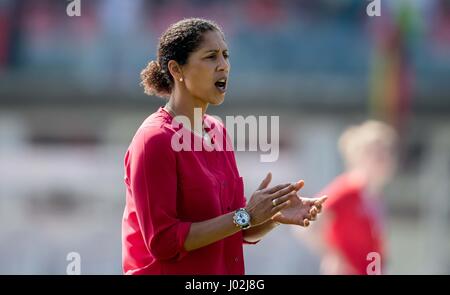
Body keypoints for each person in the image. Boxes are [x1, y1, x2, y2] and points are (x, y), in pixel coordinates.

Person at [121, 18, 327, 275]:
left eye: (226, 55)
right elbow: (163, 242)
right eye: (210, 57)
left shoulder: (218, 132)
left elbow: (235, 227)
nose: (224, 66)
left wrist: (272, 214)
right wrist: (246, 215)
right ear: (176, 70)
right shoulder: (155, 140)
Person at [292, 120, 398, 275]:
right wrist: (333, 255)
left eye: (386, 152)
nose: (383, 158)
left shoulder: (375, 197)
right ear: (359, 155)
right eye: (376, 152)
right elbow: (304, 225)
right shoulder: (347, 191)